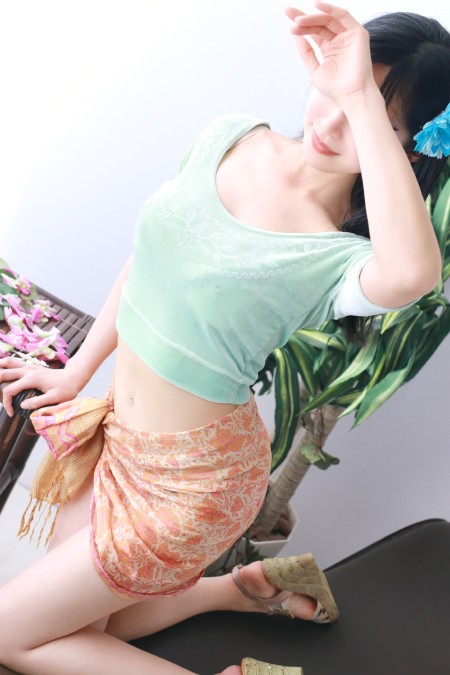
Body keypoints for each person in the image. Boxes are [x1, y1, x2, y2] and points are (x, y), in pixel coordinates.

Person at [0, 1, 449, 673]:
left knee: (9, 635)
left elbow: (415, 274)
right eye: (332, 92)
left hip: (194, 486)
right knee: (90, 623)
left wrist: (359, 92)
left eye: (368, 121)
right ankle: (228, 591)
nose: (331, 123)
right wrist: (77, 371)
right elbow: (151, 260)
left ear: (405, 148)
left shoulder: (342, 258)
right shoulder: (234, 135)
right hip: (123, 440)